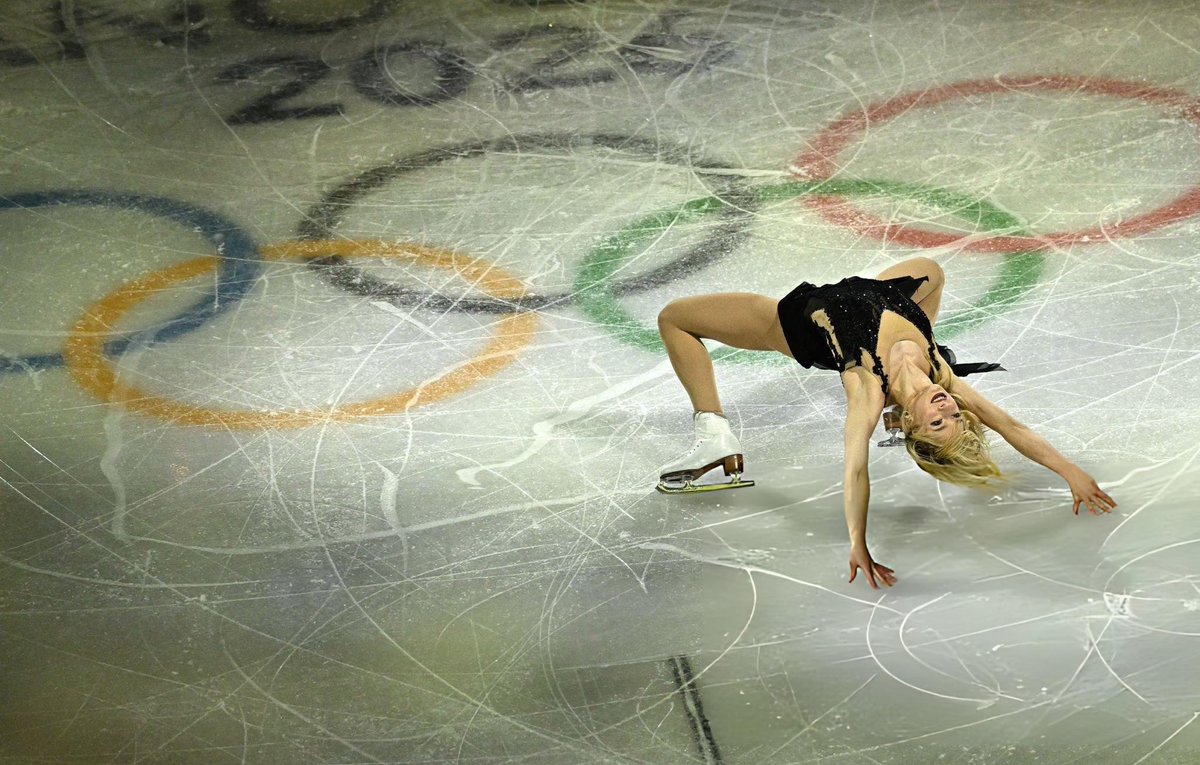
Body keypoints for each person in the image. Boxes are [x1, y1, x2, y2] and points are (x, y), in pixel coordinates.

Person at [655, 256, 1116, 589]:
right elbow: (1010, 426)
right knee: (930, 273)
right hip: (872, 298)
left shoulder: (866, 387)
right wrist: (1072, 473)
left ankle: (713, 434)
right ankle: (897, 384)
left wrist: (859, 541)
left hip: (799, 320)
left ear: (914, 429)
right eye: (954, 416)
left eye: (937, 423)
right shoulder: (943, 376)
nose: (945, 407)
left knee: (675, 320)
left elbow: (856, 469)